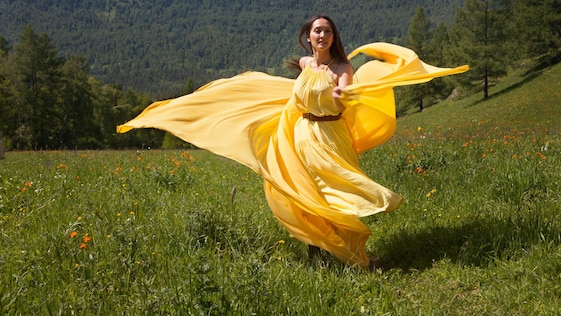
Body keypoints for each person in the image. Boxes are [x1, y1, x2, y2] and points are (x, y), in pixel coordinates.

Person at [118, 15, 469, 269]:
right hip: (300, 135)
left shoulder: (342, 69)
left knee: (333, 191)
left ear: (333, 37)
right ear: (308, 36)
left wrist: (344, 93)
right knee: (300, 193)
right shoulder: (304, 63)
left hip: (331, 136)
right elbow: (296, 93)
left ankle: (346, 252)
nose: (323, 35)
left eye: (328, 31)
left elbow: (345, 93)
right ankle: (316, 250)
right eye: (317, 31)